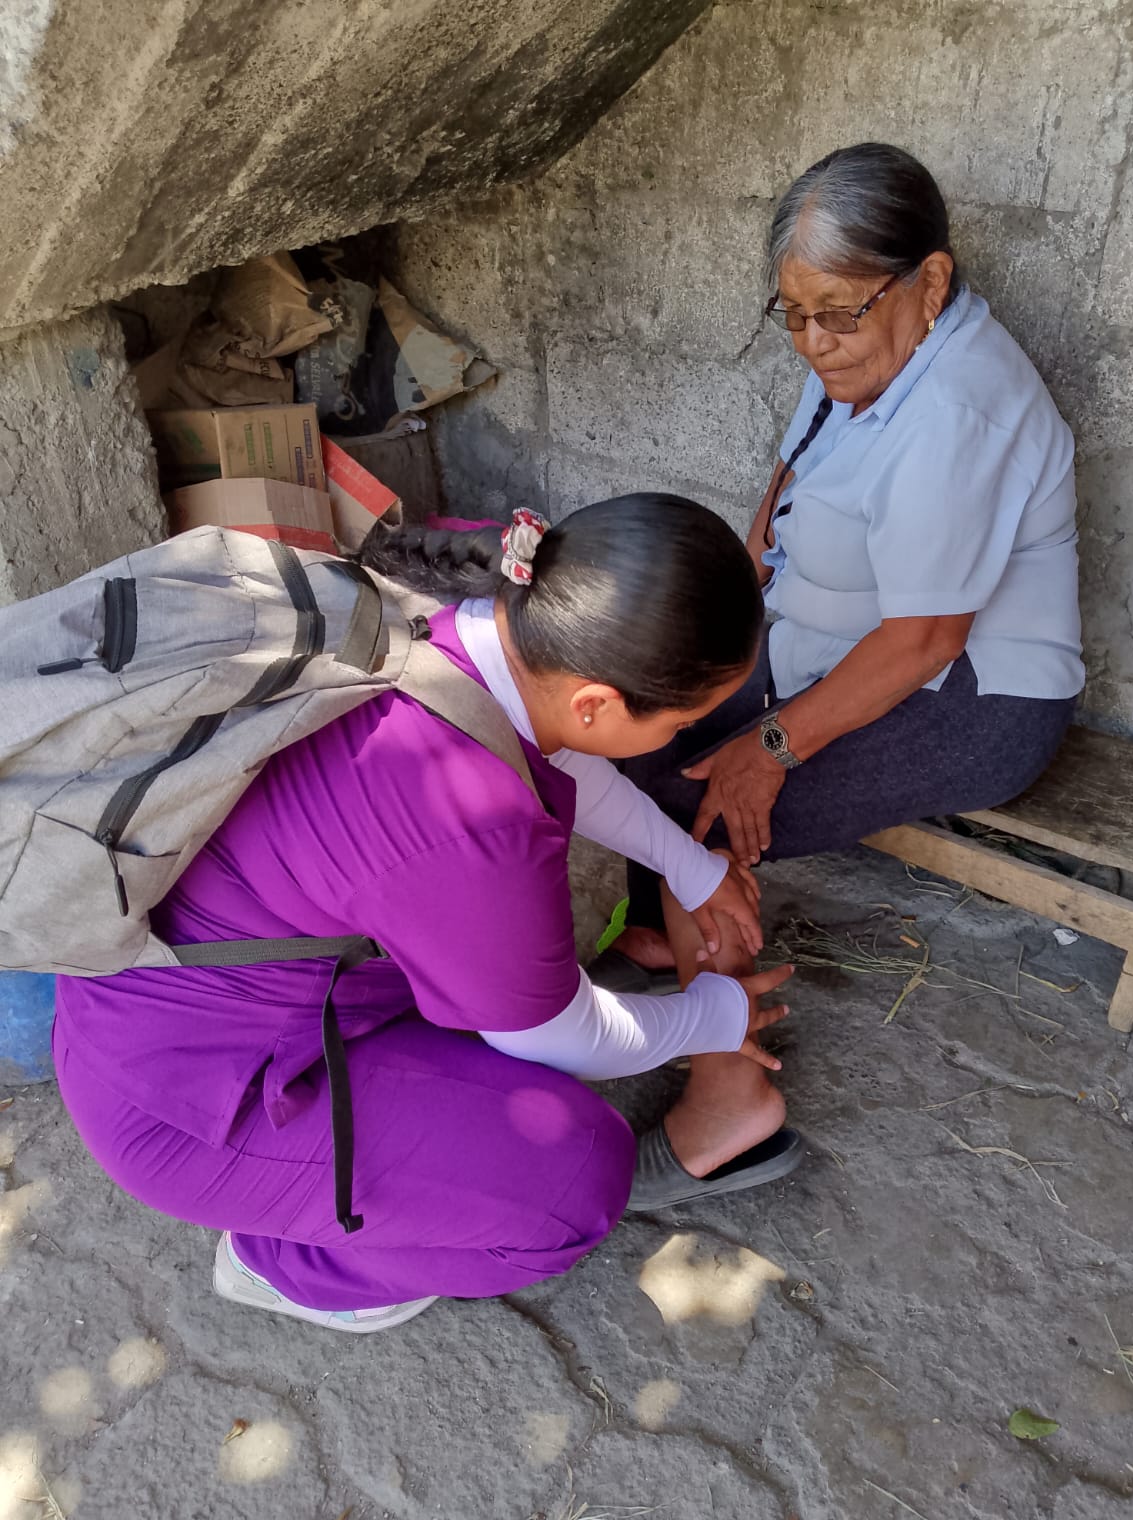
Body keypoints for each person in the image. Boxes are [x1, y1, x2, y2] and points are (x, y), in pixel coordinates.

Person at [52, 494, 798, 1335]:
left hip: (172, 1004)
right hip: (192, 1106)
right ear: (595, 702)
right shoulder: (471, 822)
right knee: (578, 1177)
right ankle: (285, 1263)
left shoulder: (457, 617)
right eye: (684, 721)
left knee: (500, 1005)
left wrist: (691, 869)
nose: (684, 735)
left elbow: (552, 754)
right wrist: (714, 1016)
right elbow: (563, 1036)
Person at [597, 142, 1084, 1191]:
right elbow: (792, 477)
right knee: (641, 711)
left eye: (838, 314)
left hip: (968, 699)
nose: (815, 342)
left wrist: (767, 747)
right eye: (794, 315)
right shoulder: (867, 354)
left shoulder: (958, 411)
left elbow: (924, 641)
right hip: (829, 646)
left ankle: (735, 1105)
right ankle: (668, 940)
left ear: (931, 282)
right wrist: (730, 613)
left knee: (698, 807)